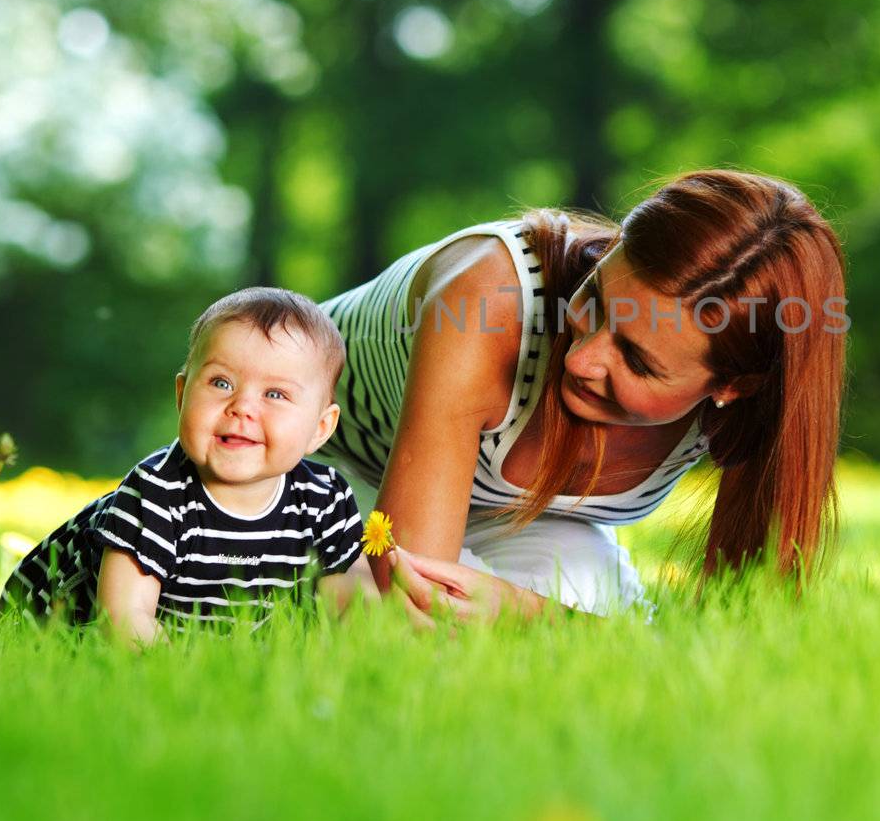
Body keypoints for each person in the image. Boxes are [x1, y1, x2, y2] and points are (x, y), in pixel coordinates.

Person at [314, 168, 848, 621]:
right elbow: (410, 588)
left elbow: (746, 632)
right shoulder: (485, 296)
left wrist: (536, 616)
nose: (580, 358)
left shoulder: (748, 406)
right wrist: (538, 620)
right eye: (593, 297)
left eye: (637, 361)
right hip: (302, 471)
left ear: (733, 387)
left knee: (594, 598)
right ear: (612, 249)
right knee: (360, 604)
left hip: (497, 516)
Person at [0, 287, 372, 644]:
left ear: (320, 429)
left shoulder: (325, 498)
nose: (241, 407)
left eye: (275, 394)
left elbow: (342, 606)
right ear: (182, 395)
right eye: (221, 382)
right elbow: (122, 619)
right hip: (45, 631)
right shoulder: (156, 490)